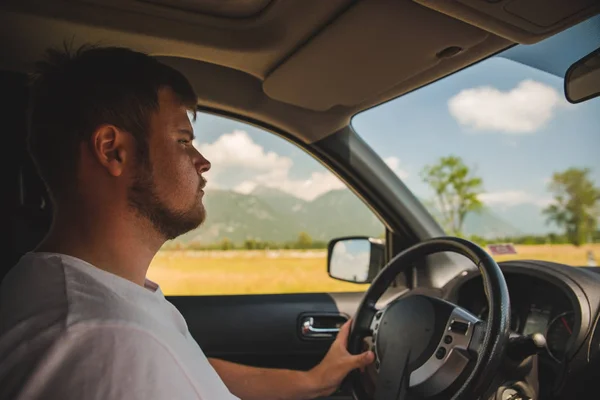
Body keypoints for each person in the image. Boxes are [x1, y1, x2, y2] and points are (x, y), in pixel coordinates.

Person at [0, 45, 374, 400]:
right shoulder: (108, 340)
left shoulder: (85, 296)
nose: (202, 161)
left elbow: (191, 368)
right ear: (112, 150)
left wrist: (311, 382)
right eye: (183, 141)